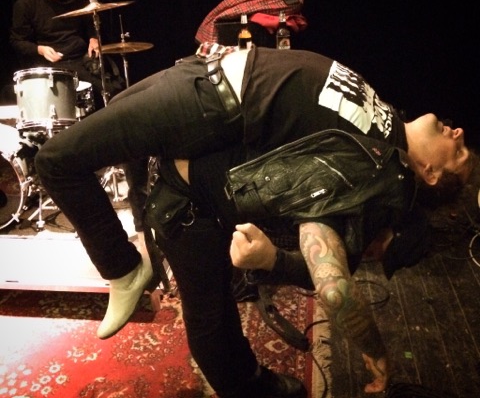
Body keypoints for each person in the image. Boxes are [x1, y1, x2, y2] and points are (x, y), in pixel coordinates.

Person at [33, 43, 472, 397]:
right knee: (210, 306)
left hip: (207, 103)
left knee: (55, 161)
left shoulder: (381, 170)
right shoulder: (386, 125)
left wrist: (376, 353)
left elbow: (334, 280)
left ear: (431, 173)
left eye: (460, 154)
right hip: (201, 78)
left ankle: (124, 269)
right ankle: (248, 380)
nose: (460, 134)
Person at [9, 0, 123, 111]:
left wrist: (93, 38)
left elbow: (90, 20)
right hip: (52, 63)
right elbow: (17, 41)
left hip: (80, 57)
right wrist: (40, 49)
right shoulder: (26, 4)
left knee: (114, 89)